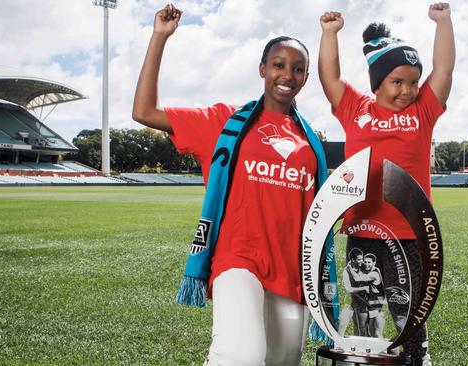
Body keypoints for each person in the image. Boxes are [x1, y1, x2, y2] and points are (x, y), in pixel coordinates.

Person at [132, 4, 330, 365]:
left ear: (305, 77)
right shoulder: (223, 122)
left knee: (285, 360)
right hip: (238, 259)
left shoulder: (310, 141)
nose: (288, 74)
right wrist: (159, 37)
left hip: (292, 268)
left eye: (298, 68)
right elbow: (144, 111)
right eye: (279, 65)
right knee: (241, 355)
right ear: (262, 69)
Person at [318, 3, 454, 365]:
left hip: (409, 232)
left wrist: (443, 22)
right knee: (366, 310)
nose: (407, 90)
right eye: (397, 82)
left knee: (407, 308)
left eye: (412, 81)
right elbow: (330, 79)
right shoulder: (355, 108)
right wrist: (329, 34)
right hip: (363, 231)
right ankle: (369, 359)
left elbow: (443, 69)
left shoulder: (422, 111)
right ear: (378, 83)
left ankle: (417, 358)